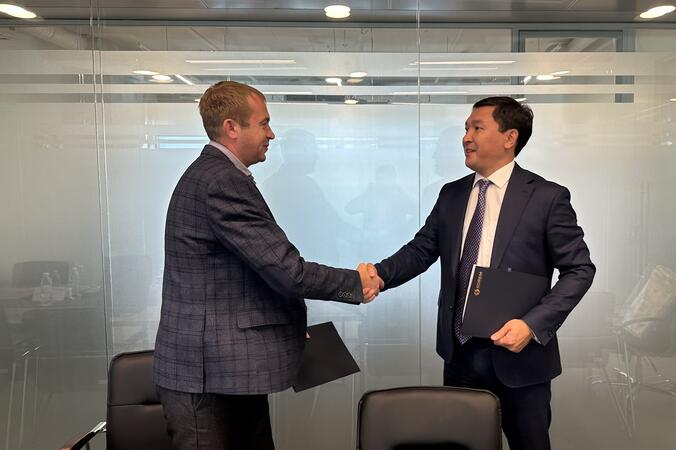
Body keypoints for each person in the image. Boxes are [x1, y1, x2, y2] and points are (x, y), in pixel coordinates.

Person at [153, 81, 380, 450]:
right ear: (231, 128)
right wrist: (357, 282)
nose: (271, 134)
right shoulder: (221, 181)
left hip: (226, 369)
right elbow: (286, 271)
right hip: (208, 374)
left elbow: (247, 273)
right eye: (264, 123)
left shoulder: (218, 175)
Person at [366, 96, 595, 450]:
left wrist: (532, 325)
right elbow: (420, 250)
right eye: (466, 128)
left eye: (477, 128)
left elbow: (579, 269)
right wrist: (379, 275)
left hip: (520, 356)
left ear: (510, 137)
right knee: (461, 444)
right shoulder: (452, 194)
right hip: (460, 354)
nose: (466, 137)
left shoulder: (546, 197)